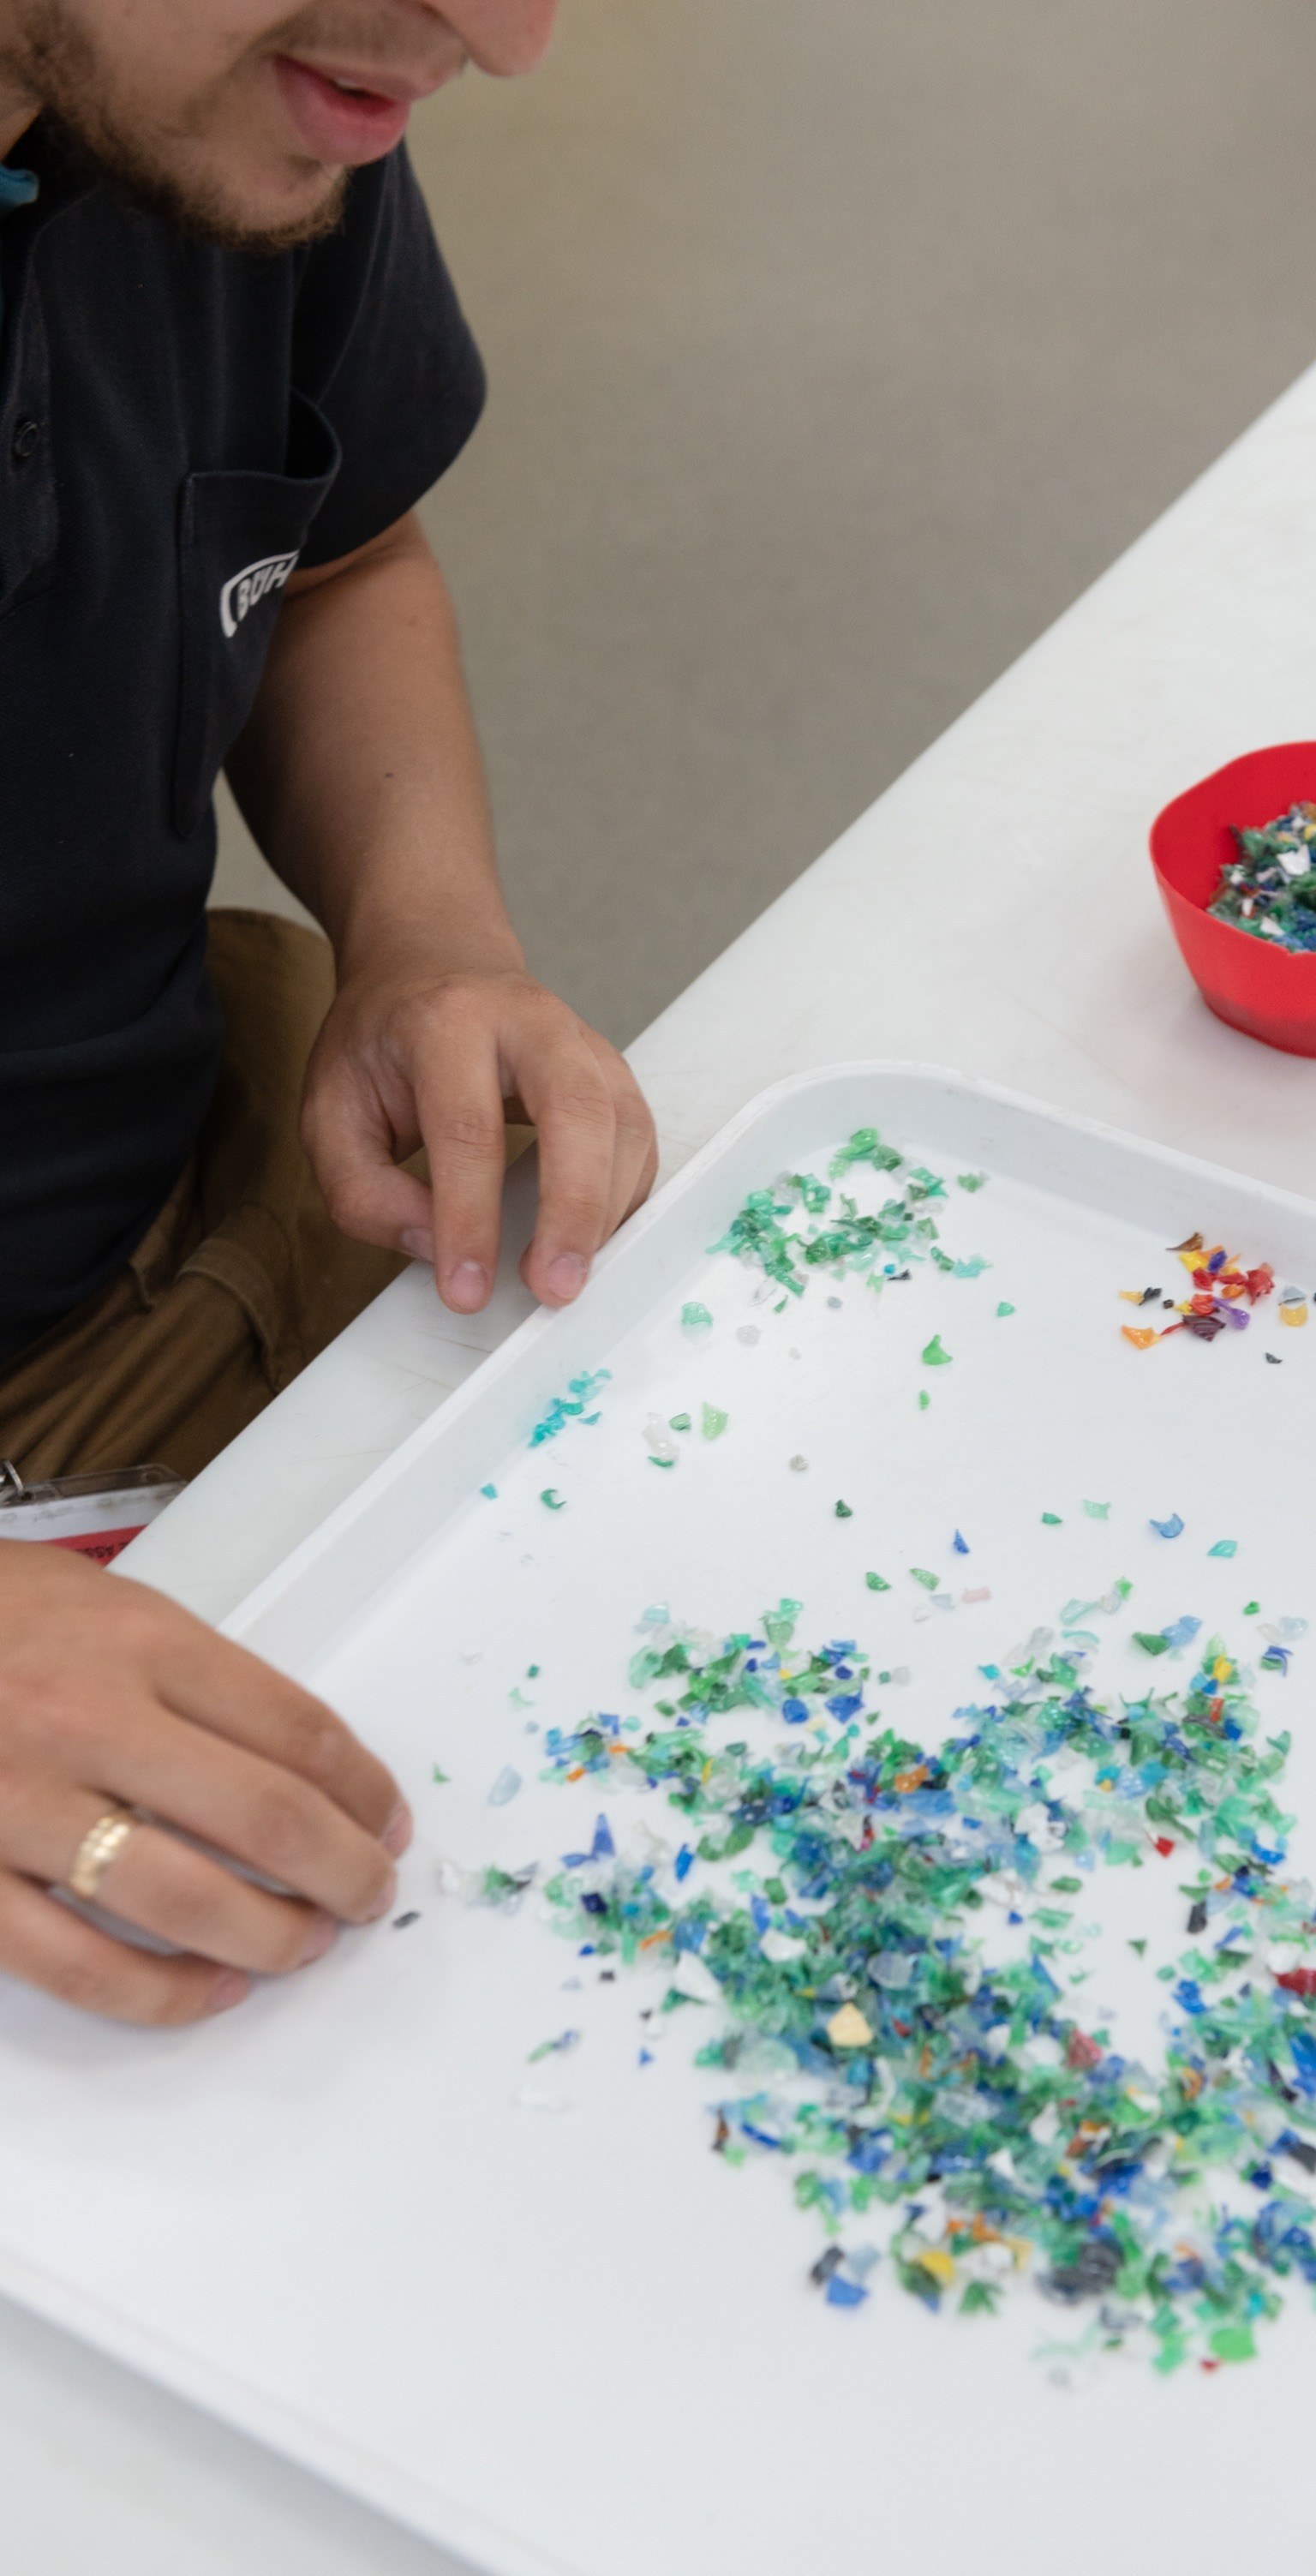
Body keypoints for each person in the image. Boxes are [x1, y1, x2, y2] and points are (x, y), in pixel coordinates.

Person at [0, 0, 656, 2024]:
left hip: (156, 1207)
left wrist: (423, 931)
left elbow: (337, 550)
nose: (507, 39)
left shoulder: (230, 107)